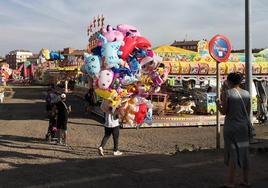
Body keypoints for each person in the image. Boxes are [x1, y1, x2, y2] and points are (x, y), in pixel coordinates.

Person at [216, 72, 251, 188]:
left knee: (232, 154)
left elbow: (224, 111)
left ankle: (231, 182)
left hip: (231, 127)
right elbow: (247, 111)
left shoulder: (227, 93)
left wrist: (217, 104)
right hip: (243, 127)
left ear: (229, 81)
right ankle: (245, 180)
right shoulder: (247, 94)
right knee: (244, 153)